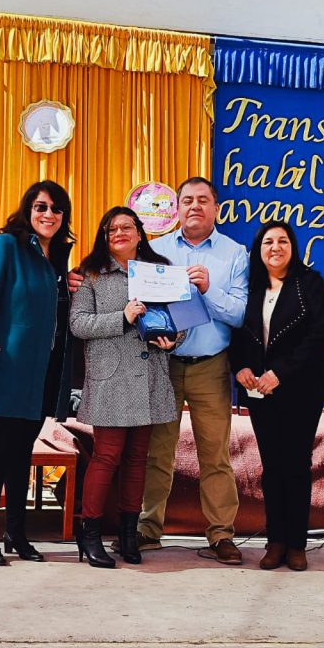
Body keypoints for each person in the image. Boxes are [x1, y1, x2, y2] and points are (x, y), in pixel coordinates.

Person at [0, 181, 74, 566]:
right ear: (28, 210)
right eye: (41, 207)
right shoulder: (5, 246)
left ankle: (16, 534)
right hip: (4, 368)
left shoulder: (57, 257)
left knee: (22, 453)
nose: (49, 214)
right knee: (0, 452)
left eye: (56, 209)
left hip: (42, 373)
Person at [137, 177, 249, 564]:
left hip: (211, 366)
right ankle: (147, 528)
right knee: (157, 452)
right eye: (187, 200)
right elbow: (141, 304)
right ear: (177, 208)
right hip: (163, 364)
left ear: (216, 208)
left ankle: (221, 534)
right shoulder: (155, 249)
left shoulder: (234, 254)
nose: (195, 207)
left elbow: (240, 314)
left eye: (203, 200)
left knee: (215, 455)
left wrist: (208, 290)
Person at [69, 206, 179, 569]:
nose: (119, 233)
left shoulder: (159, 269)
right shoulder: (91, 274)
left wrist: (174, 338)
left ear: (139, 232)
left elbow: (179, 316)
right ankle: (90, 534)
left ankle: (129, 535)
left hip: (150, 376)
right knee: (106, 456)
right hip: (111, 378)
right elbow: (78, 324)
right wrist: (123, 317)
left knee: (137, 459)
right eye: (111, 229)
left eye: (126, 227)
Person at [229, 220, 324, 572]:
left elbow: (319, 335)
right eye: (268, 242)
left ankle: (296, 544)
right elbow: (238, 334)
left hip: (301, 389)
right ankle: (275, 542)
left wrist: (280, 373)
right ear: (259, 250)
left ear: (293, 247)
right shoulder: (250, 287)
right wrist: (240, 367)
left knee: (296, 465)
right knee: (272, 467)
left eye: (282, 241)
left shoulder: (309, 282)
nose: (275, 247)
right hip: (260, 391)